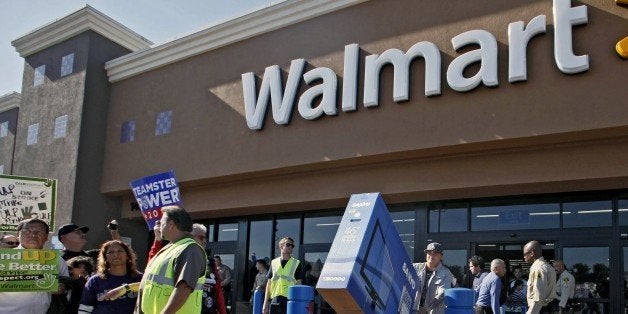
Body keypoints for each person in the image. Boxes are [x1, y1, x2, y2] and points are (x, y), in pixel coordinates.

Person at [137, 205, 207, 314]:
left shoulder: (190, 249)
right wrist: (124, 289)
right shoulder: (173, 247)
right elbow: (149, 281)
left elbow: (184, 288)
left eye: (161, 222)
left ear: (170, 224)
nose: (159, 225)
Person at [0, 218, 70, 314]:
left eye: (39, 232)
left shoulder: (57, 260)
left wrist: (62, 289)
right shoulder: (3, 258)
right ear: (18, 235)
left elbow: (67, 286)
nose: (33, 235)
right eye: (27, 231)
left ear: (46, 237)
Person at [78, 240, 142, 313]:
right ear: (105, 258)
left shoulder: (140, 279)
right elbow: (84, 309)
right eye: (110, 252)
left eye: (120, 251)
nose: (116, 255)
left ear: (128, 256)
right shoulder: (95, 281)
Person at [192, 223, 227, 314]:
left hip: (208, 309)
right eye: (201, 238)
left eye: (205, 239)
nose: (204, 241)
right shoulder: (182, 257)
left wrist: (223, 312)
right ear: (190, 238)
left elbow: (217, 289)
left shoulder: (210, 262)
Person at [263, 236, 303, 314]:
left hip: (290, 300)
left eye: (292, 245)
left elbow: (299, 284)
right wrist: (265, 303)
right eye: (288, 244)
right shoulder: (273, 262)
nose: (291, 247)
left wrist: (298, 303)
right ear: (281, 246)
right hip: (275, 299)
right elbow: (269, 283)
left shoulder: (296, 263)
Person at [413, 242, 454, 314]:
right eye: (429, 253)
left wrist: (427, 309)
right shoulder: (415, 268)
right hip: (414, 311)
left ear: (441, 256)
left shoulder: (446, 273)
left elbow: (442, 294)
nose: (431, 256)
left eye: (435, 253)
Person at [523, 240, 556, 314]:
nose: (524, 257)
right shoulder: (548, 267)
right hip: (546, 308)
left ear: (531, 253)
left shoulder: (538, 268)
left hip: (538, 310)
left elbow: (538, 298)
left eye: (525, 254)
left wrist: (531, 312)